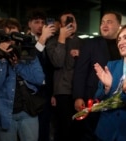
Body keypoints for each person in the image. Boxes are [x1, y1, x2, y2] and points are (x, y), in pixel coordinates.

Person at [0, 17, 45, 141]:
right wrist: (2, 58)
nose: (12, 42)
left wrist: (17, 64)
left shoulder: (28, 52)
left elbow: (39, 79)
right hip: (2, 114)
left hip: (27, 111)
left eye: (15, 36)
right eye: (7, 37)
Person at [72, 10, 122, 141]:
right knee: (91, 134)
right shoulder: (91, 43)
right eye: (102, 22)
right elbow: (80, 70)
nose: (104, 25)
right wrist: (78, 96)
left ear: (119, 26)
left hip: (117, 100)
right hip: (92, 98)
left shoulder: (123, 45)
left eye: (109, 22)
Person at [45, 9, 83, 141]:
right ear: (60, 25)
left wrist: (81, 55)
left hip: (80, 91)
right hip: (62, 91)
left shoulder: (83, 43)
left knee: (78, 130)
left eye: (72, 20)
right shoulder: (52, 42)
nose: (70, 24)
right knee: (64, 130)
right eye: (66, 21)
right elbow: (57, 62)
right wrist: (62, 38)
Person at [26, 8, 56, 141]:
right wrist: (43, 38)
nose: (40, 25)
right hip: (31, 92)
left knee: (45, 127)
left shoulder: (50, 42)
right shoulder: (25, 40)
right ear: (29, 24)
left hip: (46, 91)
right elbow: (32, 61)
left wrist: (53, 92)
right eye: (36, 22)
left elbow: (52, 69)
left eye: (42, 22)